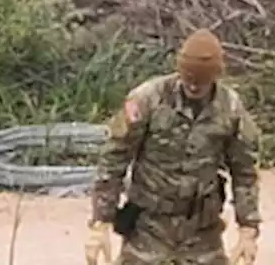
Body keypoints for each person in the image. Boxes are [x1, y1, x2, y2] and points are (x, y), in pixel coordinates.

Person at [85, 29, 262, 265]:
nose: (194, 86)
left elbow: (245, 170)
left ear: (215, 76)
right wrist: (101, 223)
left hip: (201, 230)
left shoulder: (229, 109)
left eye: (202, 80)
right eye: (188, 78)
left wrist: (248, 229)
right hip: (149, 227)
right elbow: (115, 157)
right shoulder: (148, 99)